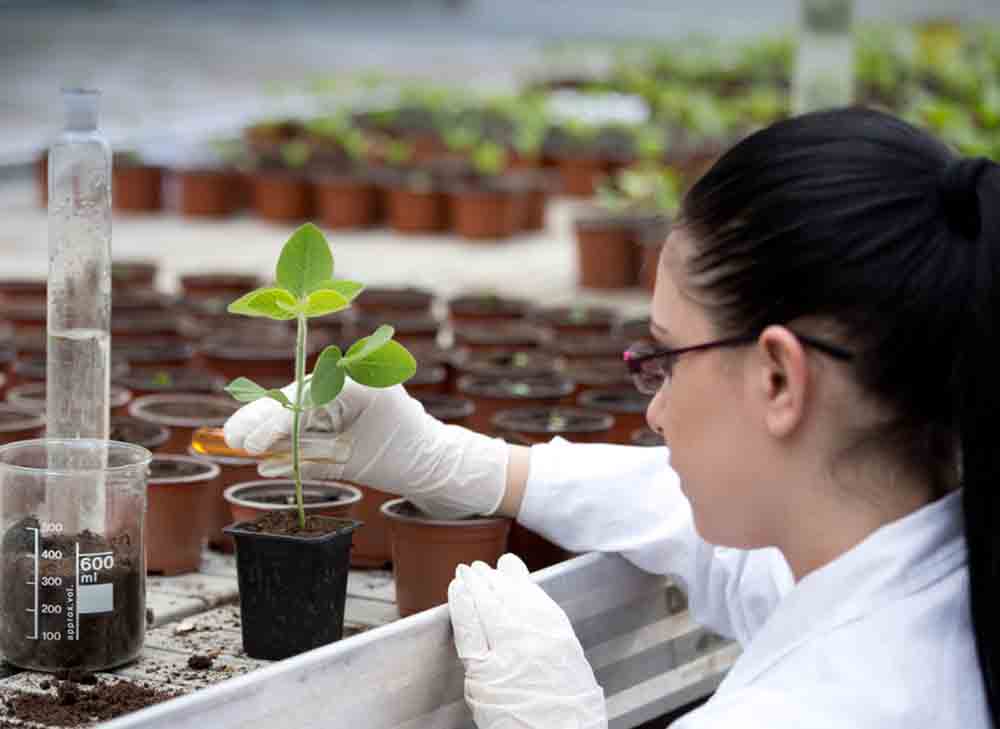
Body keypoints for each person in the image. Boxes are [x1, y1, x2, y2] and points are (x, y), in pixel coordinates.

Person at [224, 107, 998, 729]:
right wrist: (465, 462)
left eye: (666, 359)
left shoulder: (819, 705)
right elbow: (703, 530)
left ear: (776, 377)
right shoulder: (939, 564)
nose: (655, 411)